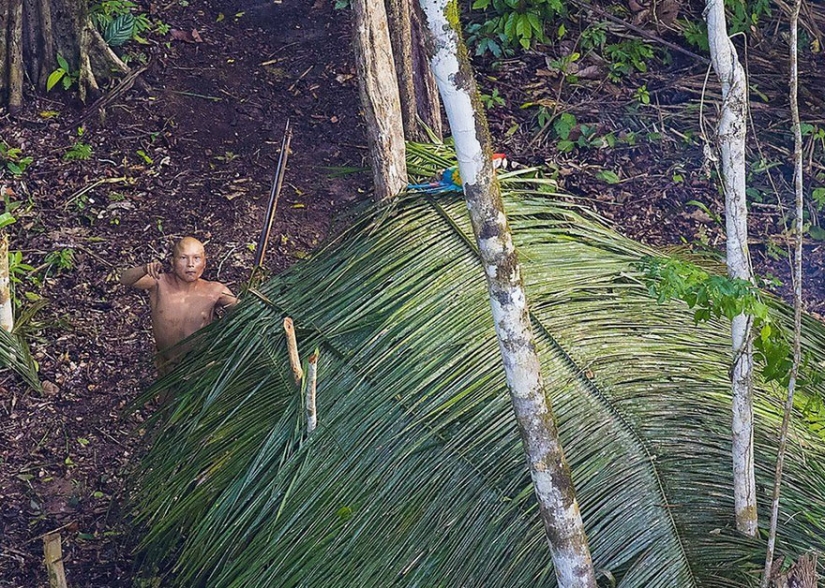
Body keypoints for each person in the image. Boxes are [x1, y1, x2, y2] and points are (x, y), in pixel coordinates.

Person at [121, 236, 238, 374]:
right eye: (183, 258)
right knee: (166, 394)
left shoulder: (215, 291)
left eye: (196, 258)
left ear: (204, 263)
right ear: (173, 262)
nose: (190, 264)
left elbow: (245, 312)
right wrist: (144, 269)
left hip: (199, 367)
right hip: (166, 366)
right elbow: (124, 279)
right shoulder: (159, 283)